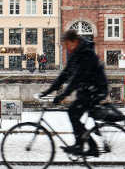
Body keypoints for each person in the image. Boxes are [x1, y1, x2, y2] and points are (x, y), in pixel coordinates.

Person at [40, 29, 108, 157]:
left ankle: (83, 146)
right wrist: (49, 90)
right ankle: (86, 146)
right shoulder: (76, 53)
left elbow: (77, 79)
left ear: (74, 41)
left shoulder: (86, 53)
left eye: (67, 45)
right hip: (87, 89)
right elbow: (65, 74)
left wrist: (62, 95)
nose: (67, 48)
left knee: (72, 112)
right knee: (74, 114)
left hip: (96, 90)